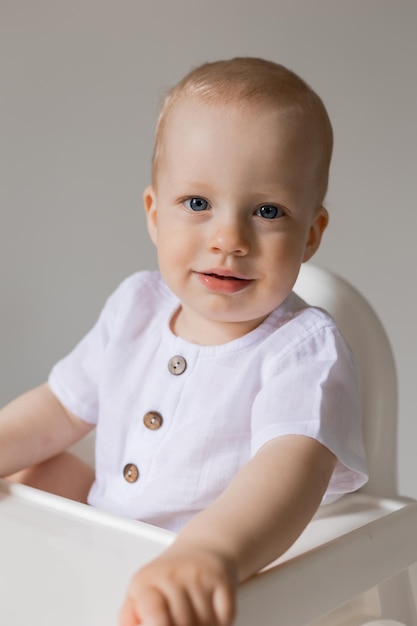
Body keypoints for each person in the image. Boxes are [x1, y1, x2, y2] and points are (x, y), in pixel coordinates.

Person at [0, 57, 368, 626]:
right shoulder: (137, 307)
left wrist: (210, 551)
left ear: (311, 234)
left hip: (222, 573)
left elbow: (288, 474)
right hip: (108, 543)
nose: (228, 239)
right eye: (198, 204)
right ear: (154, 214)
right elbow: (58, 407)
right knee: (32, 472)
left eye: (267, 211)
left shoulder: (302, 350)